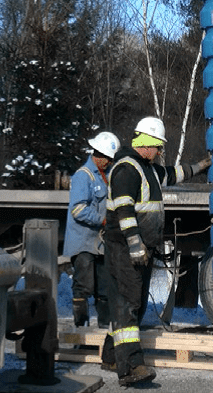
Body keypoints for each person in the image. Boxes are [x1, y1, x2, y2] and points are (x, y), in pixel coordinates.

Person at [101, 117, 211, 386]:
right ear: (147, 144)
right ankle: (131, 369)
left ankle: (111, 356)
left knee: (130, 306)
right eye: (158, 146)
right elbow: (124, 211)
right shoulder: (126, 169)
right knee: (129, 305)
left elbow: (173, 174)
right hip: (125, 249)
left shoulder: (147, 169)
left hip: (141, 249)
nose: (161, 151)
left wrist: (201, 166)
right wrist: (135, 243)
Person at [63, 130, 120, 327]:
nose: (110, 162)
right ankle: (81, 330)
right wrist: (103, 220)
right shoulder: (83, 176)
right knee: (83, 287)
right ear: (99, 155)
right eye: (108, 159)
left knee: (104, 288)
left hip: (99, 243)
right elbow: (78, 210)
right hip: (83, 243)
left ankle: (104, 329)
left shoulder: (107, 175)